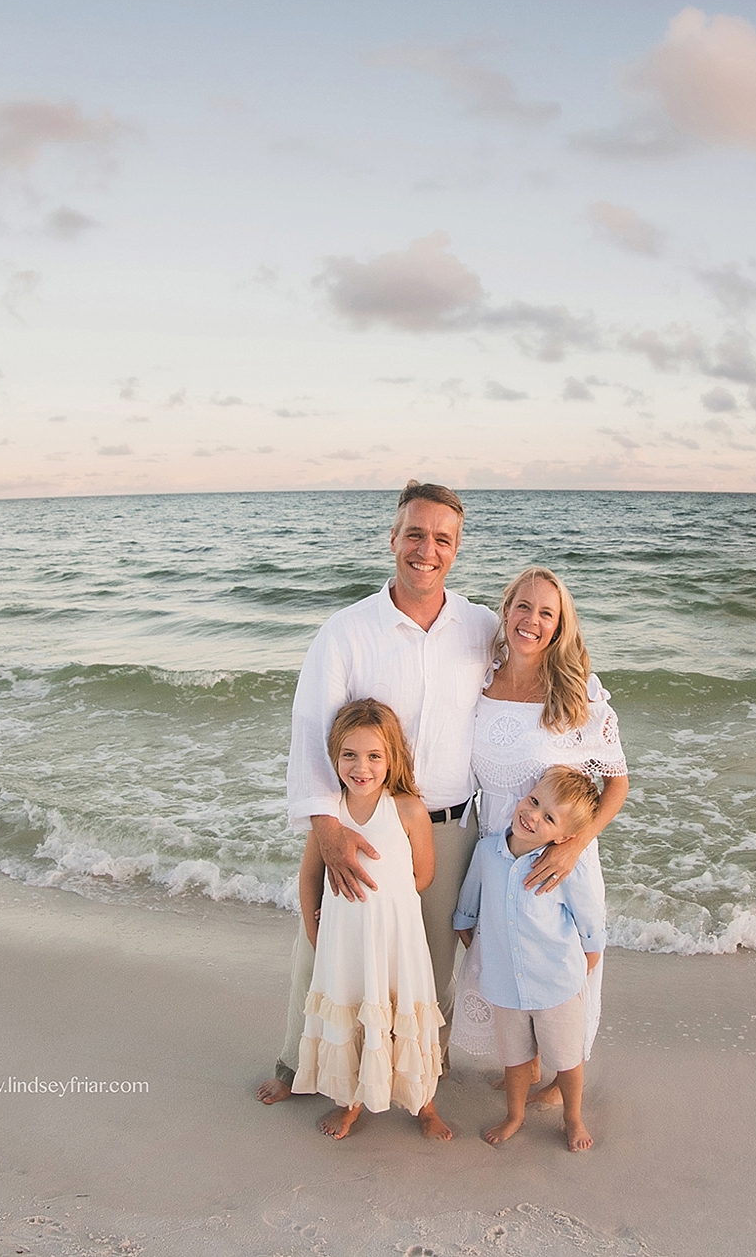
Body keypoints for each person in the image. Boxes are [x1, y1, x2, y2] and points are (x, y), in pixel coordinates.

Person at [255, 481, 498, 1143]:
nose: (427, 549)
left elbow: (538, 667)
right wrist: (327, 830)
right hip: (358, 825)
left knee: (429, 961)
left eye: (442, 538)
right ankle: (297, 1061)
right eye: (414, 534)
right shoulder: (346, 631)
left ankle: (416, 1073)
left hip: (445, 826)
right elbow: (312, 730)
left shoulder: (479, 626)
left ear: (456, 548)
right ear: (393, 539)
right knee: (325, 948)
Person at [451, 567, 628, 1091]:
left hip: (559, 854)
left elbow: (616, 784)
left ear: (559, 625)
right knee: (505, 957)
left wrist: (574, 848)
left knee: (560, 963)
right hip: (497, 851)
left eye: (545, 613)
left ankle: (561, 1079)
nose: (531, 620)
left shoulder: (577, 693)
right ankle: (522, 1064)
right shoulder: (481, 678)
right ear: (505, 611)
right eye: (522, 607)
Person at [291, 699, 443, 1139]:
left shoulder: (408, 809)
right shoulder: (329, 814)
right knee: (353, 1012)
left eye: (375, 756)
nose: (362, 767)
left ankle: (425, 1105)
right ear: (334, 757)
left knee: (403, 1013)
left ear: (392, 757)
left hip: (396, 937)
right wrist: (317, 927)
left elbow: (423, 874)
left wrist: (382, 905)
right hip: (345, 939)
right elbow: (309, 878)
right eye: (350, 755)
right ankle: (351, 1103)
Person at [453, 765, 606, 1152]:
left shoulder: (561, 866)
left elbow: (588, 916)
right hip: (505, 980)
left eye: (548, 816)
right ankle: (515, 1116)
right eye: (534, 800)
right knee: (516, 1058)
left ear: (566, 836)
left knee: (567, 1058)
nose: (532, 814)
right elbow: (472, 893)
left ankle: (572, 1117)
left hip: (556, 980)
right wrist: (465, 924)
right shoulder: (488, 851)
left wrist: (590, 955)